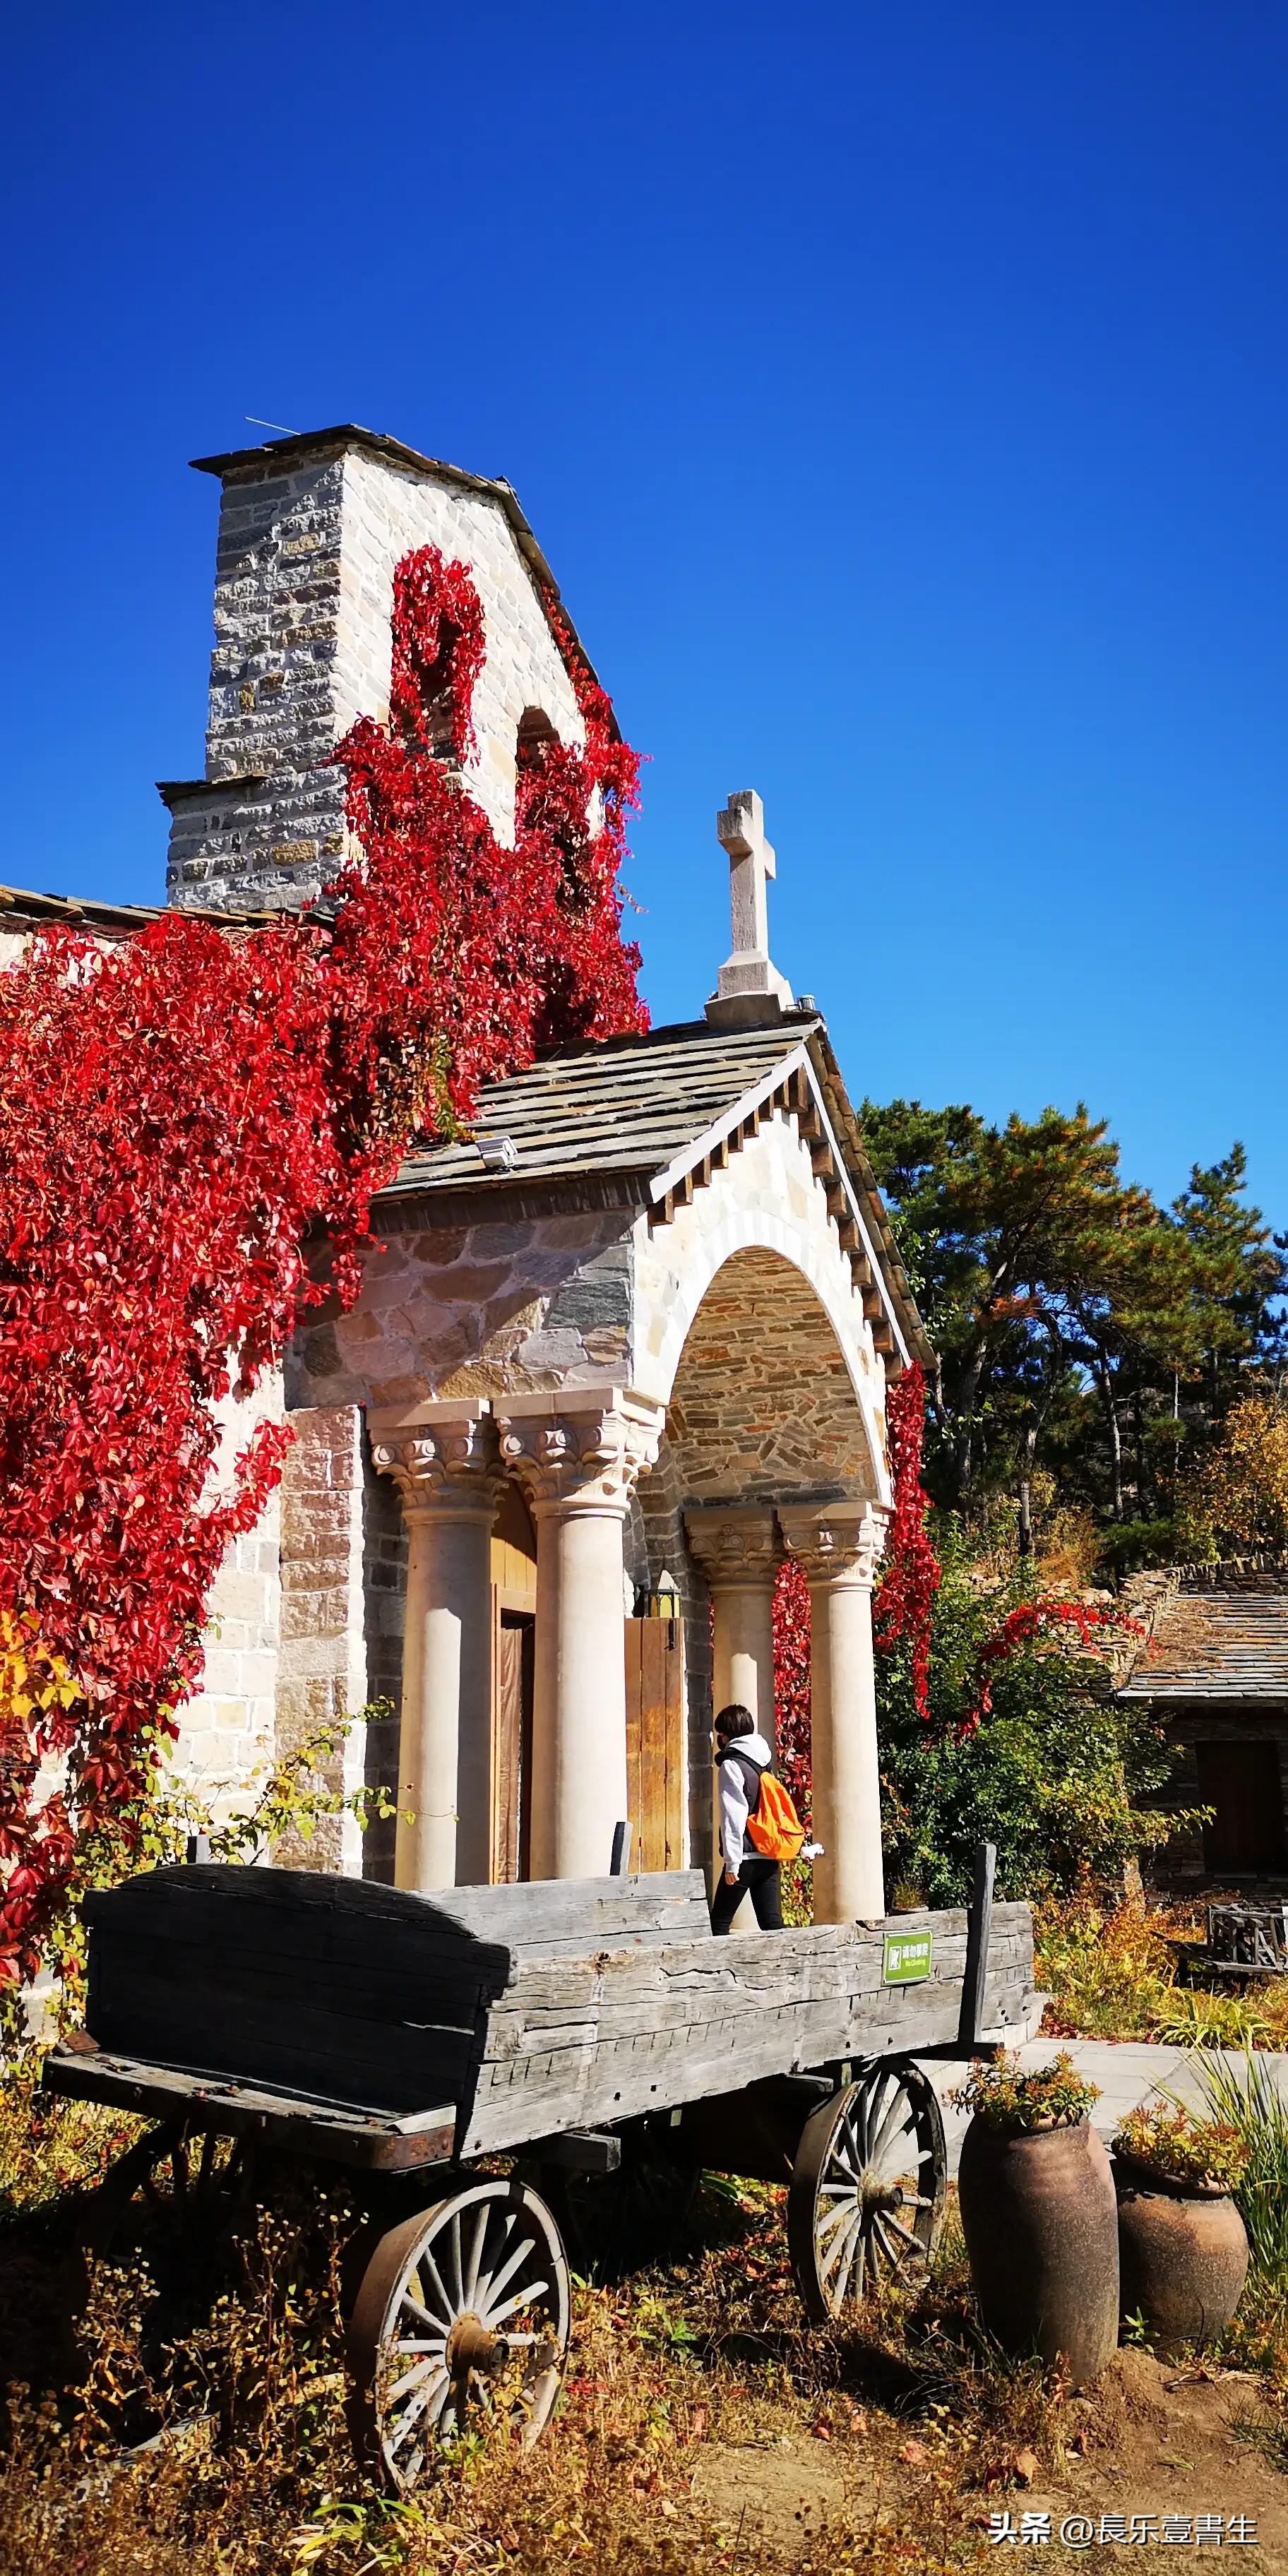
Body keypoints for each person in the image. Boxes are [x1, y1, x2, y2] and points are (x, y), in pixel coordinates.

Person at [710, 1702, 785, 1934]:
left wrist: (733, 1863)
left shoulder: (732, 1765)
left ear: (725, 1735)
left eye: (719, 1734)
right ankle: (788, 1968)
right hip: (769, 1853)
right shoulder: (764, 1762)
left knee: (719, 1924)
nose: (718, 1739)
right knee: (772, 1924)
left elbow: (733, 1816)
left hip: (744, 1858)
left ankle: (717, 1971)